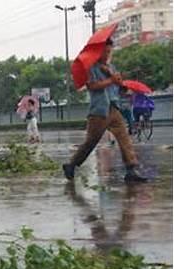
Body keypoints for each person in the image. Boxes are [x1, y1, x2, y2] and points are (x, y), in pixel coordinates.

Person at [62, 38, 147, 182]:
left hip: (113, 107)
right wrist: (111, 80)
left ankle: (131, 169)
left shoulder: (111, 67)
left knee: (124, 138)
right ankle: (71, 165)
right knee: (91, 141)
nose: (107, 54)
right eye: (105, 52)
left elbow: (117, 87)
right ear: (98, 52)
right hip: (99, 110)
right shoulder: (92, 68)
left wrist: (120, 83)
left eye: (109, 51)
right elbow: (92, 86)